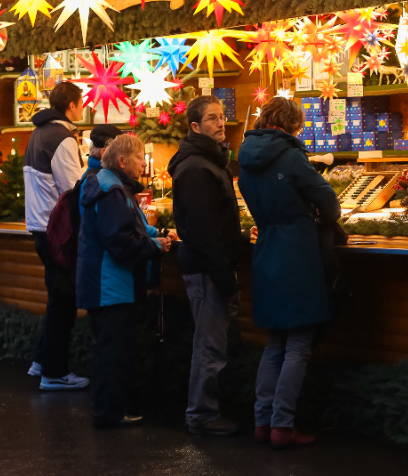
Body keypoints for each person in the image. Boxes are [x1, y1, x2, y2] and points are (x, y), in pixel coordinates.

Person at [237, 97, 340, 449]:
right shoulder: (291, 156)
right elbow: (329, 201)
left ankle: (262, 421)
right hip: (297, 251)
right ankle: (283, 425)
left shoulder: (246, 157)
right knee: (298, 343)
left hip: (266, 248)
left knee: (275, 343)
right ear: (294, 123)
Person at [75, 133, 170, 428]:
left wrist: (156, 236)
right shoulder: (111, 190)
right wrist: (156, 246)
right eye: (140, 157)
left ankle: (106, 408)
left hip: (105, 284)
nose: (144, 163)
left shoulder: (108, 184)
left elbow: (133, 225)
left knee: (107, 350)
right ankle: (109, 414)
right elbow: (121, 241)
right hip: (111, 286)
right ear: (122, 161)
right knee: (113, 352)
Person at [169, 95, 248, 437]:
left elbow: (215, 224)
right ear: (195, 126)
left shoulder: (208, 162)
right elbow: (203, 233)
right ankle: (201, 414)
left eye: (222, 117)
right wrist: (225, 277)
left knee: (213, 343)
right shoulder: (197, 168)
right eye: (213, 118)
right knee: (209, 345)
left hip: (211, 266)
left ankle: (206, 410)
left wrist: (240, 237)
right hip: (207, 269)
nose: (221, 123)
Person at [23, 81, 89, 391]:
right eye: (81, 102)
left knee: (56, 298)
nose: (83, 107)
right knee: (64, 301)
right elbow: (73, 189)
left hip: (38, 226)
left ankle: (41, 361)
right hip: (57, 230)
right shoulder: (63, 138)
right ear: (72, 105)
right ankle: (55, 372)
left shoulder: (37, 133)